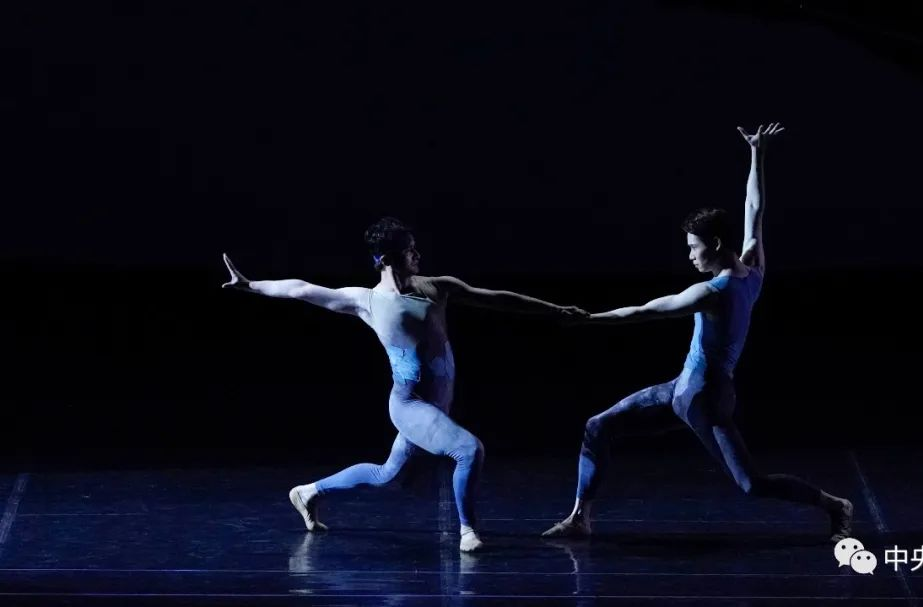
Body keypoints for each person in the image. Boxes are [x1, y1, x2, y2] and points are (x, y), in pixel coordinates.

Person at [542, 123, 854, 543]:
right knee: (597, 426)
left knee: (751, 484)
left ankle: (836, 505)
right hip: (680, 391)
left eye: (694, 246)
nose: (690, 254)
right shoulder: (753, 267)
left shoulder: (713, 292)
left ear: (716, 243)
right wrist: (757, 153)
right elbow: (754, 208)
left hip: (707, 400)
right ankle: (580, 518)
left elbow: (646, 311)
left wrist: (588, 319)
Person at [222, 217, 587, 552]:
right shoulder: (366, 301)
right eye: (409, 250)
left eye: (415, 248)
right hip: (409, 405)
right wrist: (251, 285)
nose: (418, 255)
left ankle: (307, 492)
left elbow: (497, 299)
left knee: (388, 476)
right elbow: (301, 289)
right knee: (468, 450)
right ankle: (468, 532)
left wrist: (554, 310)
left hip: (436, 405)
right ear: (386, 259)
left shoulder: (438, 287)